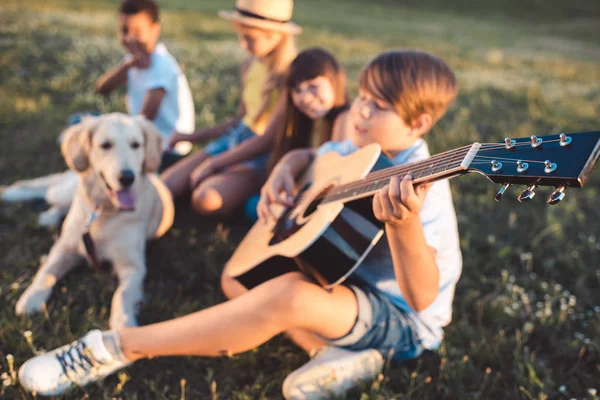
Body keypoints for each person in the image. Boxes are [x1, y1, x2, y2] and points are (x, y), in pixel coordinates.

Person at [18, 50, 462, 400]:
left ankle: (116, 347)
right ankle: (328, 352)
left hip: (400, 322)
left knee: (284, 294)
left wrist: (404, 227)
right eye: (361, 97)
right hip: (340, 282)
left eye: (377, 105)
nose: (360, 111)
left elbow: (422, 300)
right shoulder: (364, 144)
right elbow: (320, 157)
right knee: (237, 277)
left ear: (418, 122)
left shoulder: (425, 186)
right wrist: (289, 166)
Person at [161, 0, 300, 216]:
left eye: (249, 38)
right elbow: (240, 120)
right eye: (241, 36)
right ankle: (223, 178)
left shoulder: (290, 75)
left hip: (260, 154)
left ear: (275, 35)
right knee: (165, 185)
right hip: (234, 140)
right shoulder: (250, 65)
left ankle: (250, 184)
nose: (243, 45)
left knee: (205, 200)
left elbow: (268, 139)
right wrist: (192, 137)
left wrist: (215, 163)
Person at [244, 46, 352, 220]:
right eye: (297, 90)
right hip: (303, 198)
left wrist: (290, 162)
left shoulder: (345, 118)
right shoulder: (304, 121)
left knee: (252, 206)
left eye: (313, 86)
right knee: (253, 204)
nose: (305, 97)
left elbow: (334, 161)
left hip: (326, 207)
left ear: (335, 81)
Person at [96, 0, 195, 168]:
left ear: (155, 31)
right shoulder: (134, 60)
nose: (129, 38)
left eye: (137, 31)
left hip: (168, 149)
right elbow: (102, 89)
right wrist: (126, 66)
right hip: (145, 137)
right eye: (124, 30)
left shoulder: (161, 66)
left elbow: (146, 118)